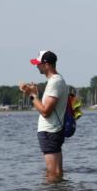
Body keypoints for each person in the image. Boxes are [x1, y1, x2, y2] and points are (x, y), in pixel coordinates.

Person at [20, 50, 69, 182]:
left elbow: (46, 111)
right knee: (56, 172)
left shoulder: (55, 82)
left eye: (39, 64)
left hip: (50, 131)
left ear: (46, 65)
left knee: (53, 173)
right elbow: (47, 108)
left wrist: (31, 95)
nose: (37, 66)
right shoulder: (56, 81)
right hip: (53, 130)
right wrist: (35, 95)